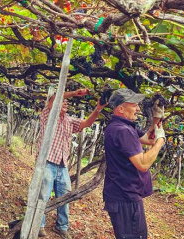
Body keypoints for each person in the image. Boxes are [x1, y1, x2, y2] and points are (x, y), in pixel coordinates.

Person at [36, 88, 106, 239]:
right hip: (47, 161)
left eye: (66, 101)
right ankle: (39, 225)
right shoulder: (47, 115)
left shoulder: (69, 120)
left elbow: (86, 123)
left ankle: (61, 226)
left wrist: (98, 109)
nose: (65, 103)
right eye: (62, 100)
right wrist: (74, 93)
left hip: (62, 164)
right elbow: (54, 99)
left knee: (65, 195)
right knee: (42, 194)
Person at [103, 88, 166, 239]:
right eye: (134, 105)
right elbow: (142, 164)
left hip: (124, 194)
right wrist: (160, 142)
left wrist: (157, 117)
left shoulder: (122, 126)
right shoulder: (122, 131)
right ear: (121, 109)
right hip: (124, 196)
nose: (138, 108)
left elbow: (147, 138)